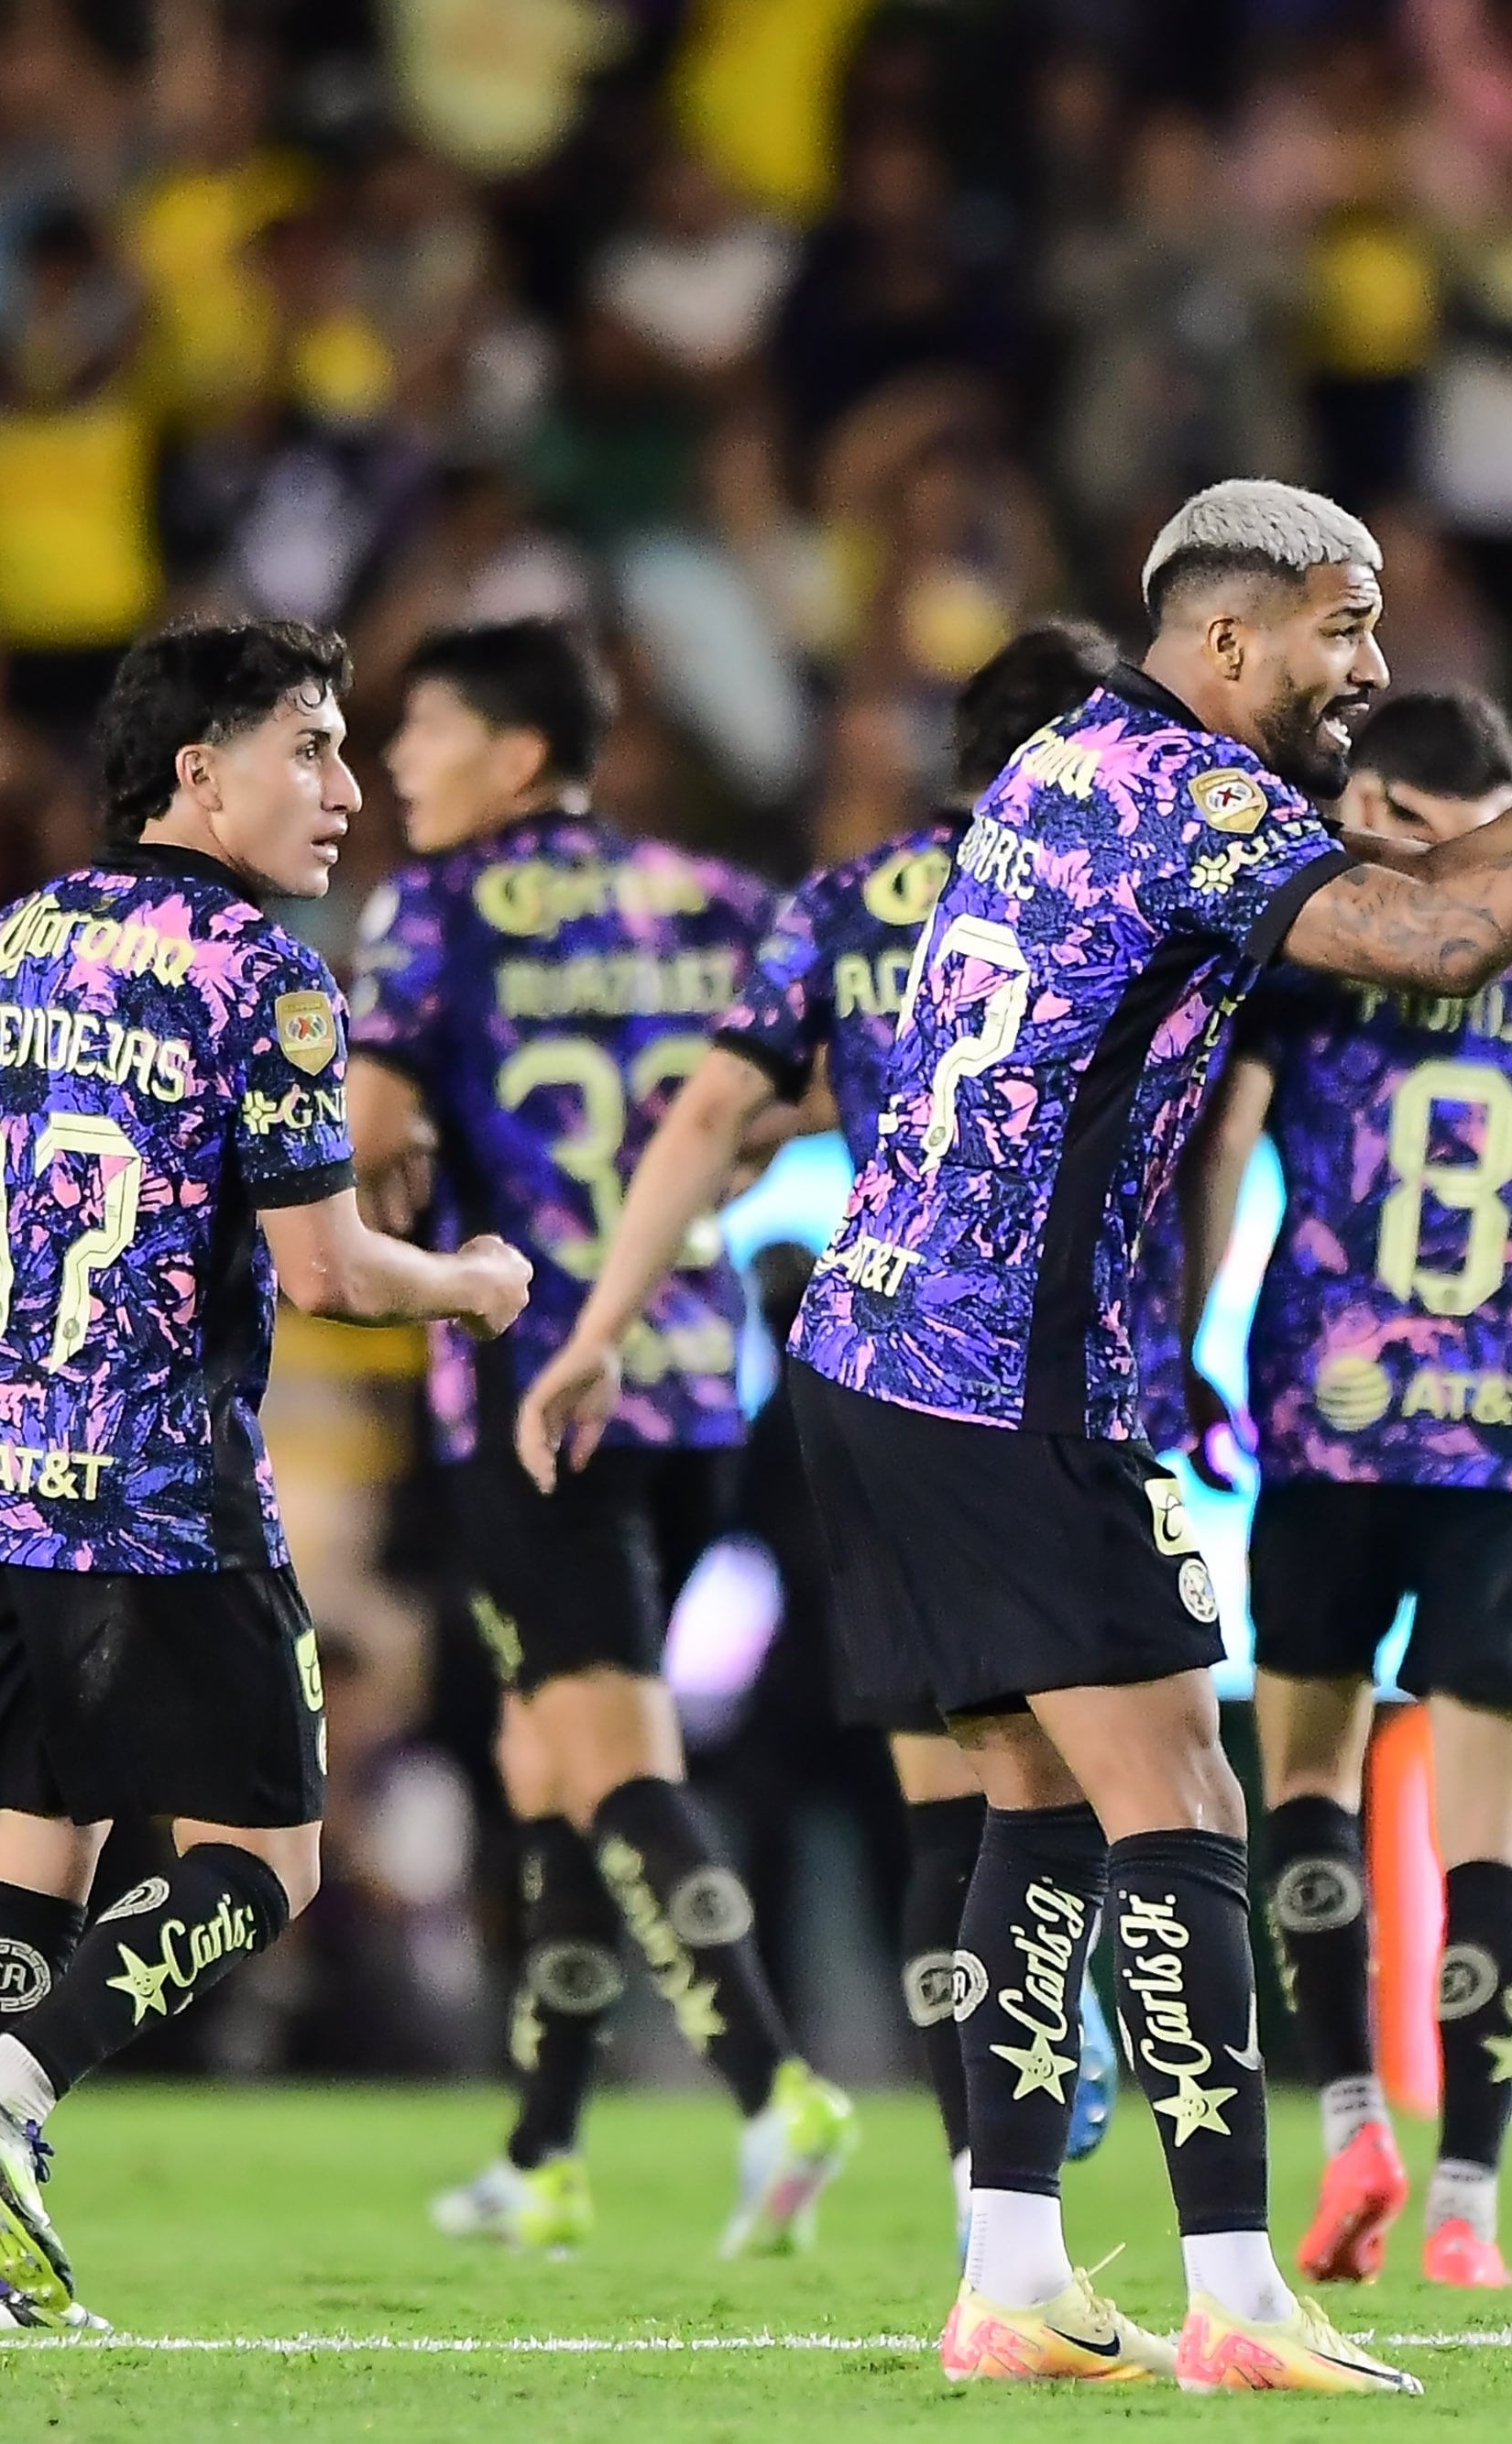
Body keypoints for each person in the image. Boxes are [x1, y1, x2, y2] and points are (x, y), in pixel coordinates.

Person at [761, 480, 1512, 2393]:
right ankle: (1238, 2297)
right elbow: (1444, 936)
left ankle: (1009, 2272)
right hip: (999, 1370)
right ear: (1224, 640)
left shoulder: (1077, 767)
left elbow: (1432, 886)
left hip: (881, 1347)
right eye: (1338, 630)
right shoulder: (1190, 801)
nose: (1367, 670)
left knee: (1035, 1794)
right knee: (1180, 1798)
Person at [0, 619, 533, 2332]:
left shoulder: (16, 940)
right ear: (200, 771)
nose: (346, 790)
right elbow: (335, 1269)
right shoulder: (259, 976)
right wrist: (476, 1285)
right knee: (266, 1864)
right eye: (314, 747)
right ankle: (21, 2087)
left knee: (29, 1857)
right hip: (163, 1497)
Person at [515, 621, 1136, 2240]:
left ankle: (978, 2179)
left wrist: (598, 1326)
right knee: (1134, 1776)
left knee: (953, 1791)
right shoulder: (1135, 870)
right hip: (1076, 1372)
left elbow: (719, 1110)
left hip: (894, 1377)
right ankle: (1093, 2057)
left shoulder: (851, 906)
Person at [1184, 686, 1512, 2293]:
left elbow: (1222, 1153)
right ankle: (1469, 2207)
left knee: (1305, 1783)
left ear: (1409, 807)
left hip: (1324, 1421)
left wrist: (1194, 1340)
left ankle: (1350, 2116)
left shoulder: (1324, 942)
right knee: (1491, 1837)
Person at [337, 619, 859, 2260]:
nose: (395, 768)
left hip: (534, 1382)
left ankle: (777, 2088)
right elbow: (841, 1078)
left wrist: (382, 1164)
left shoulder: (429, 912)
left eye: (421, 733)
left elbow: (369, 1130)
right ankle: (546, 2148)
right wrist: (714, 1160)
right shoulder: (713, 903)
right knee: (548, 1760)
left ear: (513, 751)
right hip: (704, 1374)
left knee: (608, 1751)